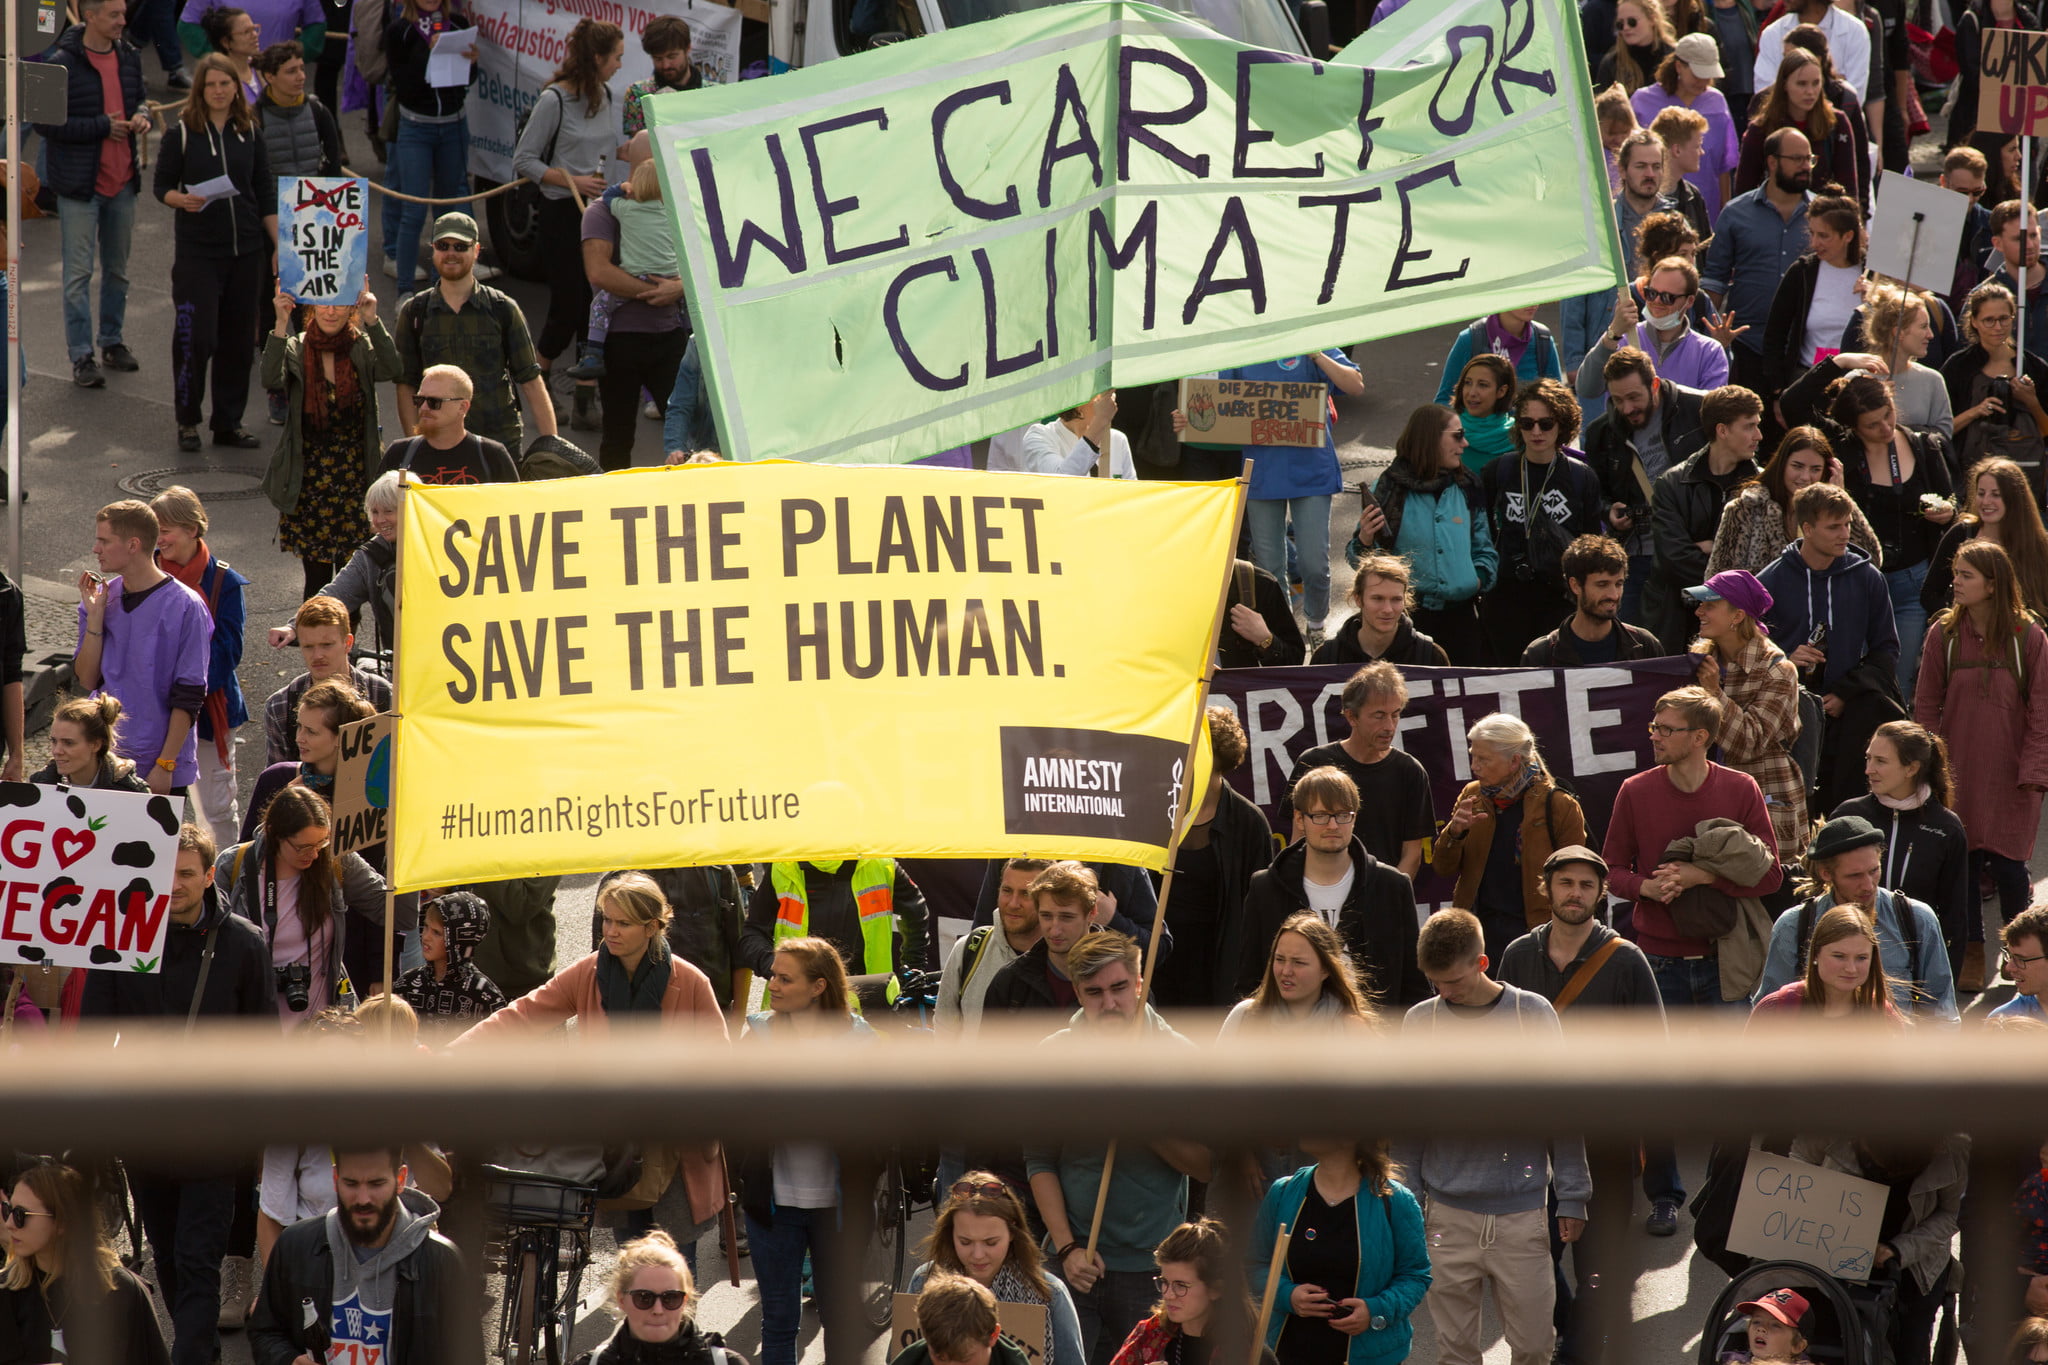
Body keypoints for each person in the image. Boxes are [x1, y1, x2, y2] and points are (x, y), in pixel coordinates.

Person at [74, 824, 271, 1365]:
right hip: (145, 1131)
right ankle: (199, 1349)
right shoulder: (125, 935)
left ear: (210, 875)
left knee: (197, 1261)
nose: (174, 884)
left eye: (186, 873)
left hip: (214, 1135)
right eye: (165, 872)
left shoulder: (244, 944)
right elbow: (93, 1032)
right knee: (170, 1258)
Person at [1397, 909, 1589, 1365]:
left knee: (1534, 1347)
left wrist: (1574, 1195)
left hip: (1522, 1213)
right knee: (1455, 1351)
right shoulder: (1420, 1022)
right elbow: (1408, 1123)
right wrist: (1405, 1204)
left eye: (1455, 982)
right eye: (1435, 983)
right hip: (1446, 1212)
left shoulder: (1531, 1014)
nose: (1445, 993)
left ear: (1482, 964)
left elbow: (1562, 1111)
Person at [1024, 933, 1208, 1365]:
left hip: (1152, 1266)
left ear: (1140, 983)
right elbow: (1039, 1160)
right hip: (1072, 1261)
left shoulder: (1181, 1057)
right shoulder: (1053, 1057)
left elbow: (1206, 1166)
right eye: (1094, 992)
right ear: (1077, 993)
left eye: (1119, 988)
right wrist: (1067, 1249)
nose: (1109, 1003)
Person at [733, 937, 872, 1365]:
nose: (771, 983)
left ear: (818, 987)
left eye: (784, 977)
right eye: (772, 974)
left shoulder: (858, 1041)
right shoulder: (756, 1035)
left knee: (839, 1319)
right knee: (778, 1320)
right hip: (773, 1206)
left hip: (840, 1208)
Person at [1602, 686, 1784, 1006]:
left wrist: (1703, 877)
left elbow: (1771, 876)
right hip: (1657, 962)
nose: (1654, 736)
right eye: (1654, 727)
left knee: (1732, 1059)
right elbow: (1610, 870)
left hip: (1726, 961)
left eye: (1666, 729)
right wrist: (1647, 887)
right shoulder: (1635, 791)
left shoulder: (1741, 788)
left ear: (1699, 737)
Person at [1777, 364, 1946, 700]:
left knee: (1895, 679)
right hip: (1858, 581)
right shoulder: (1843, 447)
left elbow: (1953, 499)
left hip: (1912, 582)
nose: (1885, 428)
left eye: (1888, 416)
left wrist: (1947, 511)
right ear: (1854, 426)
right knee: (1850, 676)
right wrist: (1839, 362)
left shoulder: (1923, 445)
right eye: (1872, 424)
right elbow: (1793, 404)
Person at [1915, 538, 2048, 947]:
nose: (1954, 581)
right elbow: (1925, 705)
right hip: (1958, 773)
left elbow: (2043, 712)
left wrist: (2035, 770)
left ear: (1992, 584)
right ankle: (1971, 951)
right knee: (1966, 867)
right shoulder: (1945, 632)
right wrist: (1927, 769)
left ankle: (2020, 952)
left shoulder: (2029, 636)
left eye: (1965, 575)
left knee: (2010, 869)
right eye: (1955, 572)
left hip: (2012, 775)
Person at [247, 1146, 482, 1364]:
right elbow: (266, 1332)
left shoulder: (442, 1263)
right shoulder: (295, 1247)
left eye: (376, 1184)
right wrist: (287, 1360)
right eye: (351, 1184)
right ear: (335, 1179)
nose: (363, 1199)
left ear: (400, 1180)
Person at [155, 52, 276, 452]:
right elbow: (161, 187)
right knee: (197, 337)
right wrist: (181, 200)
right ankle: (187, 419)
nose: (219, 90)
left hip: (246, 251)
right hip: (198, 255)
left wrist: (278, 246)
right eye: (211, 84)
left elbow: (265, 192)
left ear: (236, 88)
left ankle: (228, 422)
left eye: (226, 83)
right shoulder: (182, 133)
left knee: (239, 343)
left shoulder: (251, 132)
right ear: (200, 90)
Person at [511, 17, 623, 432]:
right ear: (596, 58)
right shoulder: (554, 101)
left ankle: (584, 396)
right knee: (567, 305)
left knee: (594, 305)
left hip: (598, 213)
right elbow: (524, 161)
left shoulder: (608, 95)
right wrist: (573, 180)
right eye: (616, 58)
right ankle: (535, 382)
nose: (618, 66)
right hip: (560, 212)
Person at [36, 0, 150, 391]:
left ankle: (112, 342)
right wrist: (102, 126)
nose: (123, 21)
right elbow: (44, 124)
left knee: (118, 271)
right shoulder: (60, 63)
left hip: (122, 183)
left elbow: (140, 99)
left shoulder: (130, 57)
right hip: (79, 187)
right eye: (115, 15)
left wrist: (143, 116)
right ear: (90, 15)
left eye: (123, 14)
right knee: (78, 275)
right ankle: (82, 355)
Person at [1243, 766, 1425, 1008]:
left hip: (1373, 1035)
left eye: (1342, 815)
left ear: (1354, 818)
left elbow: (1414, 984)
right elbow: (1250, 981)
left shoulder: (1391, 886)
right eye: (1320, 816)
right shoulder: (1266, 888)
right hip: (1290, 1036)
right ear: (1299, 818)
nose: (1332, 826)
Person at [1751, 814, 1959, 1021]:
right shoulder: (1793, 926)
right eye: (1855, 875)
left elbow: (1942, 1011)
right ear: (1826, 874)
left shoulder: (1917, 919)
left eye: (1874, 871)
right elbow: (1772, 1011)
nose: (1868, 885)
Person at [261, 285, 398, 596]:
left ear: (351, 308)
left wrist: (373, 320)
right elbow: (270, 379)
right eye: (324, 304)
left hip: (354, 482)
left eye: (339, 304)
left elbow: (392, 368)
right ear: (312, 307)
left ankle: (344, 642)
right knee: (317, 581)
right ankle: (316, 638)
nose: (331, 311)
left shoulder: (360, 345)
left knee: (356, 581)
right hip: (310, 483)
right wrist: (280, 323)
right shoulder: (297, 346)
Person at [1788, 1134, 1968, 1365]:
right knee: (1823, 1339)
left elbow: (1951, 1213)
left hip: (1914, 1260)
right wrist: (1822, 1218)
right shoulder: (1832, 1120)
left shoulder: (1954, 1146)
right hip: (1831, 1246)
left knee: (1908, 1348)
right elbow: (1800, 1157)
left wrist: (1898, 1250)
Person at [1248, 1138, 1430, 1365]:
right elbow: (1255, 1265)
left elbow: (1415, 1276)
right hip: (1289, 1352)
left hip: (1370, 1356)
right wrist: (1287, 1294)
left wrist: (1375, 1310)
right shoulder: (1283, 1192)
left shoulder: (1397, 1201)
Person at [73, 499, 211, 797]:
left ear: (133, 544)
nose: (96, 549)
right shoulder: (100, 601)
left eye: (104, 540)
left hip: (158, 764)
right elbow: (86, 680)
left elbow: (189, 694)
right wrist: (95, 620)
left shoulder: (187, 607)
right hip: (105, 758)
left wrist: (166, 764)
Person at [1229, 349, 1363, 649]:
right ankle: (1284, 630)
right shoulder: (1243, 348)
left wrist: (1316, 354)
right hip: (1262, 473)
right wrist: (1189, 419)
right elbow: (1219, 404)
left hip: (1312, 472)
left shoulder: (1310, 344)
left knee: (1314, 562)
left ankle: (1317, 625)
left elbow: (1355, 385)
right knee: (1269, 566)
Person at [218, 783, 391, 1015]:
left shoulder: (335, 860)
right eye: (303, 847)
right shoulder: (233, 865)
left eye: (321, 843)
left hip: (322, 1028)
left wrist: (403, 860)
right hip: (252, 1021)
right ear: (274, 833)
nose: (314, 854)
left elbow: (391, 910)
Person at [393, 210, 556, 451]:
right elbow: (406, 384)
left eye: (461, 246)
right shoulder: (414, 312)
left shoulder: (503, 309)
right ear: (433, 250)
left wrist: (553, 452)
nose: (451, 253)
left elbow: (531, 380)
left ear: (476, 251)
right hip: (438, 445)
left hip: (499, 445)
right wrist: (414, 447)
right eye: (443, 245)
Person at [1433, 714, 1589, 964]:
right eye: (1473, 756)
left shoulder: (1559, 805)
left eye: (1484, 759)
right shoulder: (1472, 796)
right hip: (1478, 940)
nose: (1475, 767)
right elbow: (1443, 868)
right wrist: (1455, 833)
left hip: (1537, 941)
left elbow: (1576, 881)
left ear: (1515, 761)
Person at [1149, 707, 1272, 1012]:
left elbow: (1261, 910)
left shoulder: (1248, 823)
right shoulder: (1152, 811)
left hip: (1219, 963)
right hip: (1157, 960)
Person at [1833, 721, 1972, 982]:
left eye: (1880, 761)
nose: (1868, 769)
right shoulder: (1848, 815)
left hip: (1909, 972)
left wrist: (1943, 987)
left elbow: (1955, 917)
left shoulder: (1946, 828)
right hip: (1845, 967)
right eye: (1868, 758)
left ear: (1912, 768)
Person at [578, 142, 689, 469]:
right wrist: (660, 290)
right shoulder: (602, 211)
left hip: (670, 337)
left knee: (686, 431)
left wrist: (678, 288)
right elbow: (598, 272)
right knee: (618, 434)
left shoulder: (673, 205)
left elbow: (701, 263)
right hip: (621, 341)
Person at [1358, 404, 1495, 664]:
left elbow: (1484, 548)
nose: (1465, 443)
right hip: (1408, 619)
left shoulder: (1468, 485)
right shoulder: (1388, 488)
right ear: (1431, 439)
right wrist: (1364, 539)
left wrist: (1476, 579)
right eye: (1457, 435)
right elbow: (1363, 564)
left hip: (1462, 619)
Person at [1687, 568, 1810, 859]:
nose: (1699, 612)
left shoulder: (1778, 670)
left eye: (1709, 605)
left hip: (1766, 792)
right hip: (1708, 792)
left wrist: (1715, 693)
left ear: (1737, 616)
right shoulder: (1699, 659)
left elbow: (1749, 742)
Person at [1480, 379, 1605, 663]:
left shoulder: (1581, 476)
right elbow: (1481, 531)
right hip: (1505, 595)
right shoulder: (1498, 470)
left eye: (1546, 424)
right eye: (1527, 423)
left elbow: (1591, 543)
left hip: (1558, 597)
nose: (1536, 431)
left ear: (1561, 424)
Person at [150, 484, 247, 844]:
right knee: (154, 806)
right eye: (154, 530)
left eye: (165, 530)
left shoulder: (224, 581)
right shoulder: (145, 574)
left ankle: (221, 887)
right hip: (155, 711)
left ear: (192, 529)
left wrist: (182, 695)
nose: (158, 540)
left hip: (209, 713)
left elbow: (226, 653)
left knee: (215, 810)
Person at [1581, 347, 1706, 626]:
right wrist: (1608, 511)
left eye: (1634, 397)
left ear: (1655, 385)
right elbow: (1595, 491)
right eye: (1617, 400)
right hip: (1639, 555)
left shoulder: (1699, 410)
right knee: (1636, 645)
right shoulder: (1601, 433)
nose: (1627, 408)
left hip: (1694, 548)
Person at [1275, 663, 1434, 881]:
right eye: (1379, 715)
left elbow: (1412, 854)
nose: (1389, 726)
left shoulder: (1410, 771)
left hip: (1381, 899)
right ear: (1351, 717)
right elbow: (1298, 841)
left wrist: (1388, 896)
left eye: (1395, 715)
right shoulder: (1313, 762)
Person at [0, 1161, 168, 1365]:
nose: (8, 1224)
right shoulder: (7, 1292)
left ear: (62, 1221)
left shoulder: (123, 1291)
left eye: (21, 1215)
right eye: (8, 1210)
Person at [906, 1175, 1084, 1365]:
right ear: (951, 1234)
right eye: (965, 1242)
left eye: (991, 1242)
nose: (978, 1255)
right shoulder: (924, 1281)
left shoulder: (1051, 1294)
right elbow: (900, 1355)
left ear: (1012, 1233)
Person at [1647, 383, 1766, 648]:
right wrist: (1728, 566)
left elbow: (1762, 563)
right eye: (1749, 426)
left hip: (1739, 627)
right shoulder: (1671, 483)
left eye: (1757, 425)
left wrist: (1711, 551)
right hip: (1676, 622)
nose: (1758, 435)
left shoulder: (1764, 488)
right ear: (1722, 430)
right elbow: (1673, 559)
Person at [1702, 126, 1814, 400]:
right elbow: (1714, 281)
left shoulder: (1823, 215)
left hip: (1805, 348)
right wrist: (1708, 339)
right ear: (1772, 162)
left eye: (1809, 159)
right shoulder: (1736, 214)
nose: (1805, 166)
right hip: (1747, 346)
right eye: (1797, 159)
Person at [740, 857, 931, 1002]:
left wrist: (913, 967)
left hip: (869, 999)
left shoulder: (879, 864)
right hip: (800, 1003)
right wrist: (778, 969)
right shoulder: (784, 868)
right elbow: (752, 933)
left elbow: (915, 910)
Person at [383, 0, 472, 300]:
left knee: (447, 211)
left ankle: (442, 286)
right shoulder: (399, 31)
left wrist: (473, 62)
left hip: (453, 125)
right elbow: (404, 84)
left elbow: (466, 81)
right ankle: (404, 291)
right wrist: (428, 50)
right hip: (416, 127)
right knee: (414, 209)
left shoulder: (458, 24)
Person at [1707, 425, 1882, 577]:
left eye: (1815, 469)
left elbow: (1872, 559)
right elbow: (1717, 579)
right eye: (1797, 466)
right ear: (1782, 464)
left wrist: (1841, 499)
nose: (1805, 477)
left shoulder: (1831, 511)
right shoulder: (1746, 507)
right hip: (1762, 614)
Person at [1575, 255, 1729, 425]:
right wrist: (1613, 334)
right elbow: (1587, 388)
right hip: (1629, 446)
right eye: (1651, 293)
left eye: (1667, 297)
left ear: (1689, 301)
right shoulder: (1623, 341)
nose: (1656, 302)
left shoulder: (1709, 351)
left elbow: (1712, 412)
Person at [269, 470, 402, 661]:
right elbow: (333, 596)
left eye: (389, 511)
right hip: (399, 664)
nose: (380, 520)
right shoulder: (371, 556)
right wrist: (293, 626)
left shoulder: (443, 545)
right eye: (374, 512)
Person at [1107, 1220, 1273, 1365]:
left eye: (1181, 1286)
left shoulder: (1249, 1354)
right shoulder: (1149, 1337)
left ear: (1216, 1289)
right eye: (1164, 1282)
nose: (1168, 1294)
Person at [1942, 283, 2048, 499]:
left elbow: (2046, 431)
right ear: (1974, 321)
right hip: (1973, 477)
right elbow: (1942, 429)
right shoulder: (1958, 367)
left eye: (2004, 319)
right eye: (1989, 320)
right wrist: (1976, 411)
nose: (1997, 327)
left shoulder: (2033, 367)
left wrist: (2031, 401)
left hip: (2026, 476)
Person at [572, 1229, 739, 1365]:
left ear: (685, 1301)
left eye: (671, 1298)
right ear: (622, 1300)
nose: (658, 1310)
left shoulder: (724, 1362)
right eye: (644, 1298)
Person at [262, 595, 390, 767]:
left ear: (348, 643)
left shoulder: (383, 694)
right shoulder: (280, 707)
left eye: (326, 645)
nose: (317, 656)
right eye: (308, 647)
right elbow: (278, 781)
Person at [243, 676, 372, 843]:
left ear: (342, 738)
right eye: (299, 726)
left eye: (311, 732)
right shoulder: (276, 778)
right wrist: (280, 812)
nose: (299, 738)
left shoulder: (370, 788)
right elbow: (245, 852)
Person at [1763, 193, 1867, 397]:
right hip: (1807, 379)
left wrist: (1874, 300)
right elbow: (1774, 334)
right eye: (1812, 234)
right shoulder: (1802, 272)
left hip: (1858, 385)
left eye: (1823, 236)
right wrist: (1777, 391)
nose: (1814, 243)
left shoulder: (1872, 272)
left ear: (1848, 236)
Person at [1923, 456, 2048, 622]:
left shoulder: (2039, 544)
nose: (1986, 501)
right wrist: (1960, 618)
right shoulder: (1961, 533)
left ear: (2014, 499)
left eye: (1996, 495)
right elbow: (1929, 594)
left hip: (2019, 640)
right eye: (1981, 493)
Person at [1633, 32, 1740, 223]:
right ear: (1679, 66)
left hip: (1706, 208)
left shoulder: (1717, 101)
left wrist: (1726, 211)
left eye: (1710, 75)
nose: (1705, 82)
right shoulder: (1642, 101)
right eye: (1699, 74)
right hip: (1654, 208)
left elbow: (1725, 165)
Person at [937, 857, 1048, 1034]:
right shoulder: (969, 949)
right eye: (1007, 890)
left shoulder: (1063, 959)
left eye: (1026, 894)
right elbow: (944, 1032)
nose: (1013, 903)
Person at [1521, 532, 1667, 665]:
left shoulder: (1646, 646)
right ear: (1575, 585)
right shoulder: (1541, 655)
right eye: (1602, 585)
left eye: (1619, 584)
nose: (1613, 595)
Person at [1221, 913, 1377, 1035]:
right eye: (1280, 959)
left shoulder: (1352, 1029)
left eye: (1299, 962)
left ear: (1325, 970)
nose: (1286, 971)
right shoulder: (1244, 1017)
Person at [1749, 903, 1904, 1019]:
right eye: (1839, 956)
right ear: (1815, 954)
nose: (1851, 968)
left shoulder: (1884, 1018)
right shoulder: (1775, 1009)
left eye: (1861, 958)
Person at [378, 362, 522, 486]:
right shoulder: (398, 454)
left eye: (434, 402)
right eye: (419, 400)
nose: (423, 408)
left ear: (462, 407)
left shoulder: (491, 455)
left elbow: (514, 511)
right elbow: (376, 512)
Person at [392, 891, 507, 1034]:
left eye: (436, 932)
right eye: (426, 926)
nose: (426, 937)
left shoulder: (484, 995)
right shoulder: (407, 983)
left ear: (460, 940)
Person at [1314, 554, 1450, 667]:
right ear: (1358, 599)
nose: (1388, 609)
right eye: (1377, 599)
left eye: (1396, 599)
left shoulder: (1430, 657)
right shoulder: (1327, 657)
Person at [1861, 283, 1957, 441]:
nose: (1931, 335)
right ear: (1898, 332)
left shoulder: (1933, 380)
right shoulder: (1858, 380)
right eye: (1923, 327)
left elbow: (1943, 436)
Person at [1952, 0, 2043, 157]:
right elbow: (1972, 74)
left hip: (2021, 126)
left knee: (2025, 173)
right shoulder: (1972, 20)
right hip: (1979, 122)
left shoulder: (2029, 19)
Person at [1432, 308, 1563, 407]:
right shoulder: (1471, 339)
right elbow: (1444, 402)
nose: (1533, 302)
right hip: (1476, 441)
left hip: (1528, 441)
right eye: (1522, 292)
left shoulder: (1543, 340)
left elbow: (1559, 401)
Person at [896, 1275, 1032, 1365]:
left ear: (993, 1335)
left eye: (965, 1360)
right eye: (940, 1358)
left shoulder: (1013, 1361)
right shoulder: (911, 1360)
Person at [1754, 0, 1871, 101]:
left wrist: (1789, 86)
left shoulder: (1855, 31)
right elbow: (1765, 94)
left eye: (1816, 82)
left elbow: (1853, 95)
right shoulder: (1772, 33)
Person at [32, 694, 149, 790]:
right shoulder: (39, 784)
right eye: (53, 741)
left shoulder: (133, 793)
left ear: (96, 745)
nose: (57, 751)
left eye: (68, 743)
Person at [1017, 392, 1136, 479]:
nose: (1111, 399)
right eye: (1100, 393)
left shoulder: (1118, 439)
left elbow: (1132, 497)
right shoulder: (1039, 436)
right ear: (1078, 403)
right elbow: (1061, 482)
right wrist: (1099, 422)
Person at [1984, 200, 2048, 349]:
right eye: (2019, 239)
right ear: (1997, 243)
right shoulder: (1984, 298)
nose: (2030, 245)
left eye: (2033, 235)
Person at [620, 15, 696, 138]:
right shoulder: (638, 93)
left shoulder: (711, 91)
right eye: (658, 59)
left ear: (687, 49)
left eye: (672, 57)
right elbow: (638, 150)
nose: (665, 65)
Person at [1446, 351, 1520, 474]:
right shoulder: (1444, 431)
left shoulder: (1522, 435)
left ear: (1502, 391)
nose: (1472, 392)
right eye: (1468, 383)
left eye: (1483, 385)